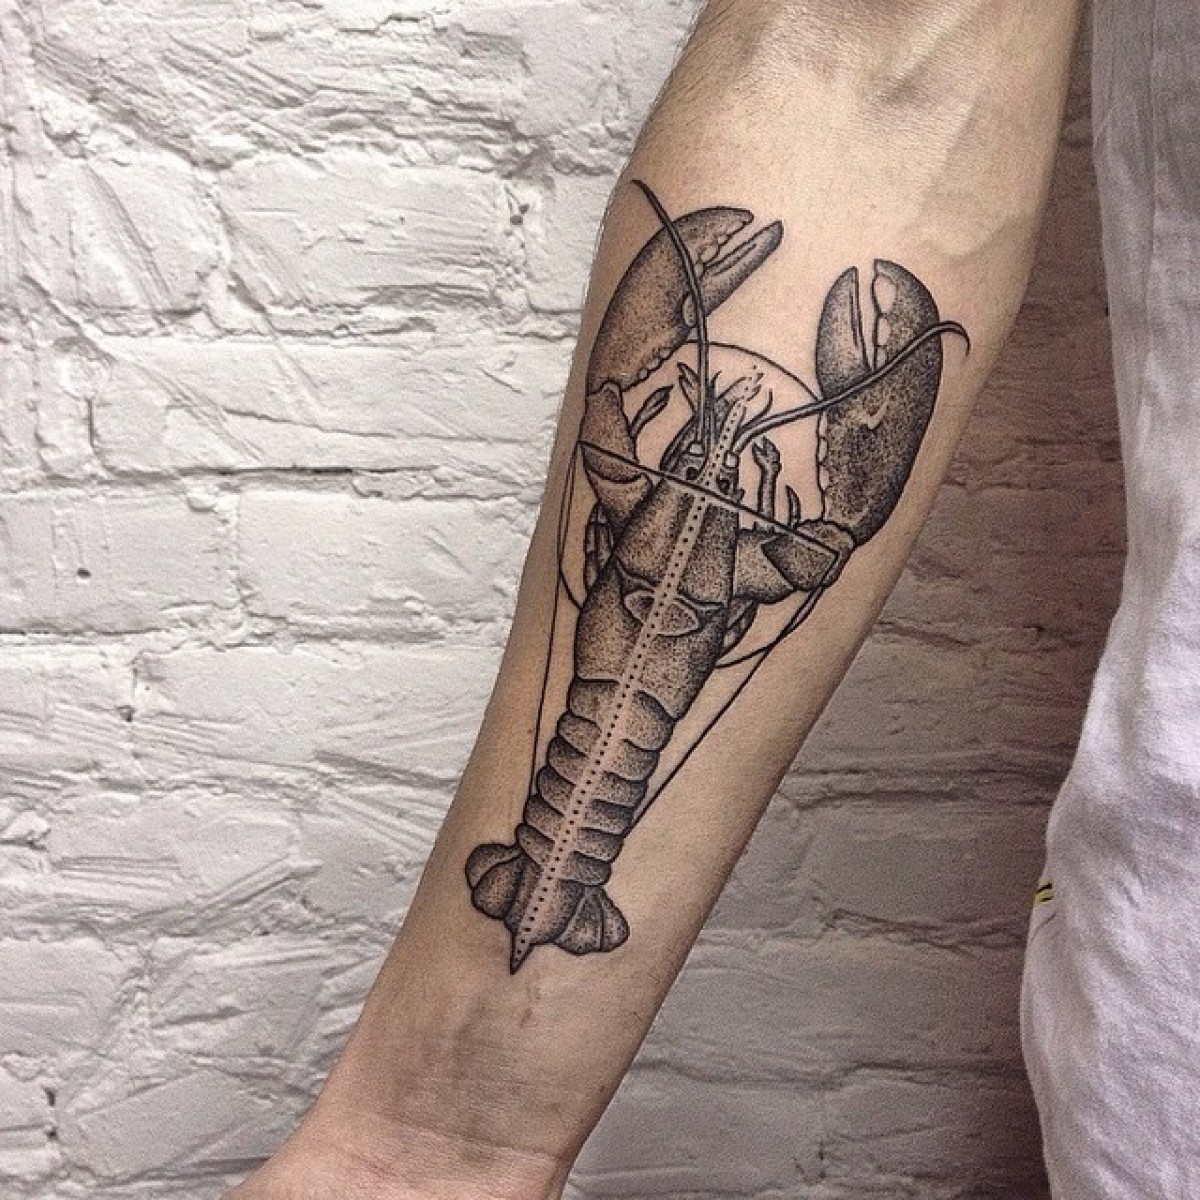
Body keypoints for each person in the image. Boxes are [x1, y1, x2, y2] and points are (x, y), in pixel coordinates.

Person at [228, 1, 1200, 1197]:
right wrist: (428, 1153)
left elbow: (661, 470)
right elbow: (877, 72)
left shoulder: (661, 506)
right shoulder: (748, 552)